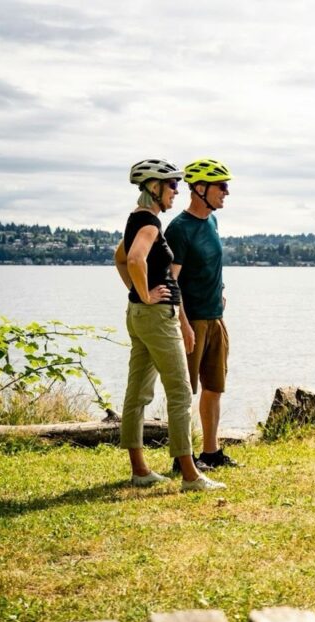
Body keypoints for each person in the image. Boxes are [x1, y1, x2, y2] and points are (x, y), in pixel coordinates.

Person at [114, 158, 227, 492]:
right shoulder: (150, 223)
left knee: (137, 393)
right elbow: (133, 259)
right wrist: (148, 294)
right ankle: (191, 475)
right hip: (156, 316)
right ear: (154, 188)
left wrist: (136, 292)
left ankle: (140, 470)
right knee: (179, 392)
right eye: (172, 185)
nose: (177, 191)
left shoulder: (136, 219)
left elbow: (120, 258)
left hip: (138, 316)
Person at [165, 158, 240, 470]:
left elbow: (212, 264)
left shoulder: (211, 222)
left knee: (213, 387)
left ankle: (211, 452)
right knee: (185, 392)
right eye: (220, 186)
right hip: (191, 320)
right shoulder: (179, 229)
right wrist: (183, 324)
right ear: (199, 188)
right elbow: (172, 279)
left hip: (214, 319)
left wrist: (220, 291)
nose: (226, 192)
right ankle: (182, 459)